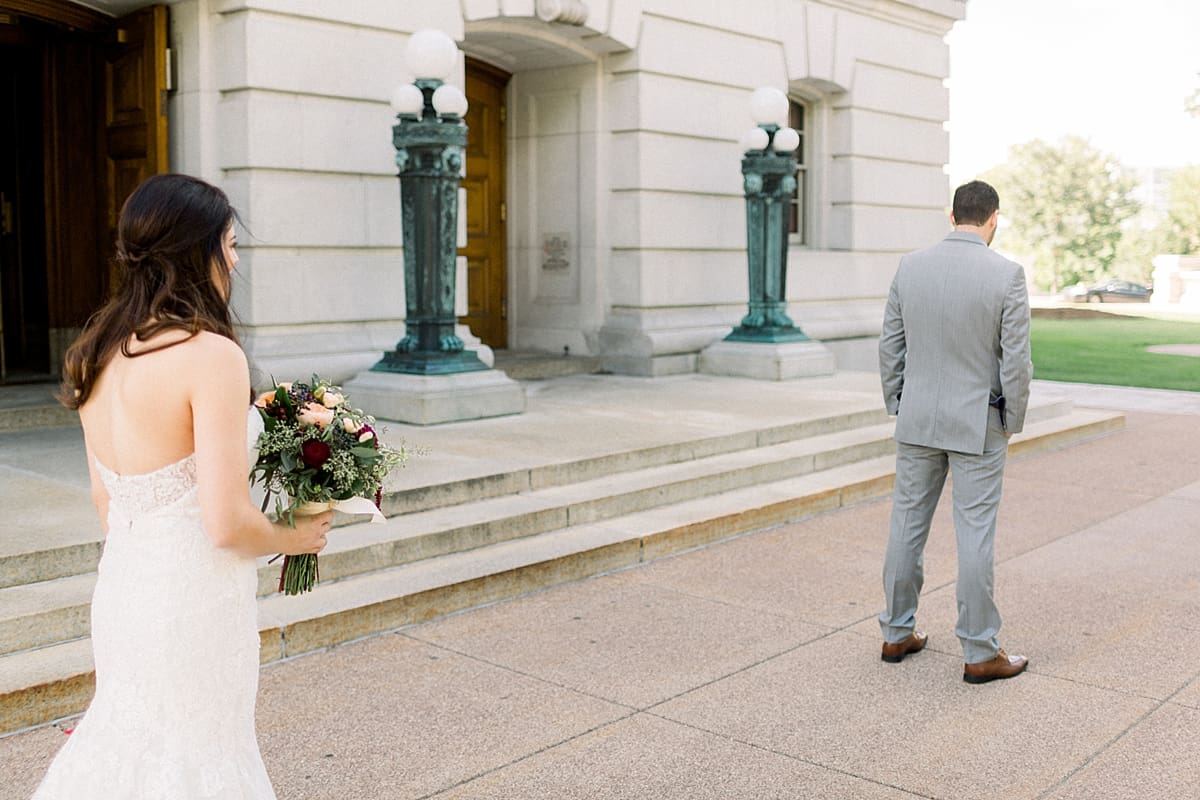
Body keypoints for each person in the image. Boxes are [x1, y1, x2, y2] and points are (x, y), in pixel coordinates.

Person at [34, 173, 332, 798]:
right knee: (200, 756)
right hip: (193, 601)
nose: (236, 256)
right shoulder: (210, 355)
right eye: (229, 241)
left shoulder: (94, 352)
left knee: (130, 745)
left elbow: (107, 503)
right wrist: (298, 537)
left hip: (124, 591)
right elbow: (225, 523)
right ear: (198, 249)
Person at [876, 179, 1033, 684]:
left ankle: (897, 632)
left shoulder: (910, 266)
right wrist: (1013, 421)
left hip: (918, 417)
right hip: (978, 423)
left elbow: (890, 346)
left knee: (906, 525)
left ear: (952, 216)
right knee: (975, 535)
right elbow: (1017, 364)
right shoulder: (1006, 274)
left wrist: (898, 401)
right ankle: (980, 650)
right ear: (993, 219)